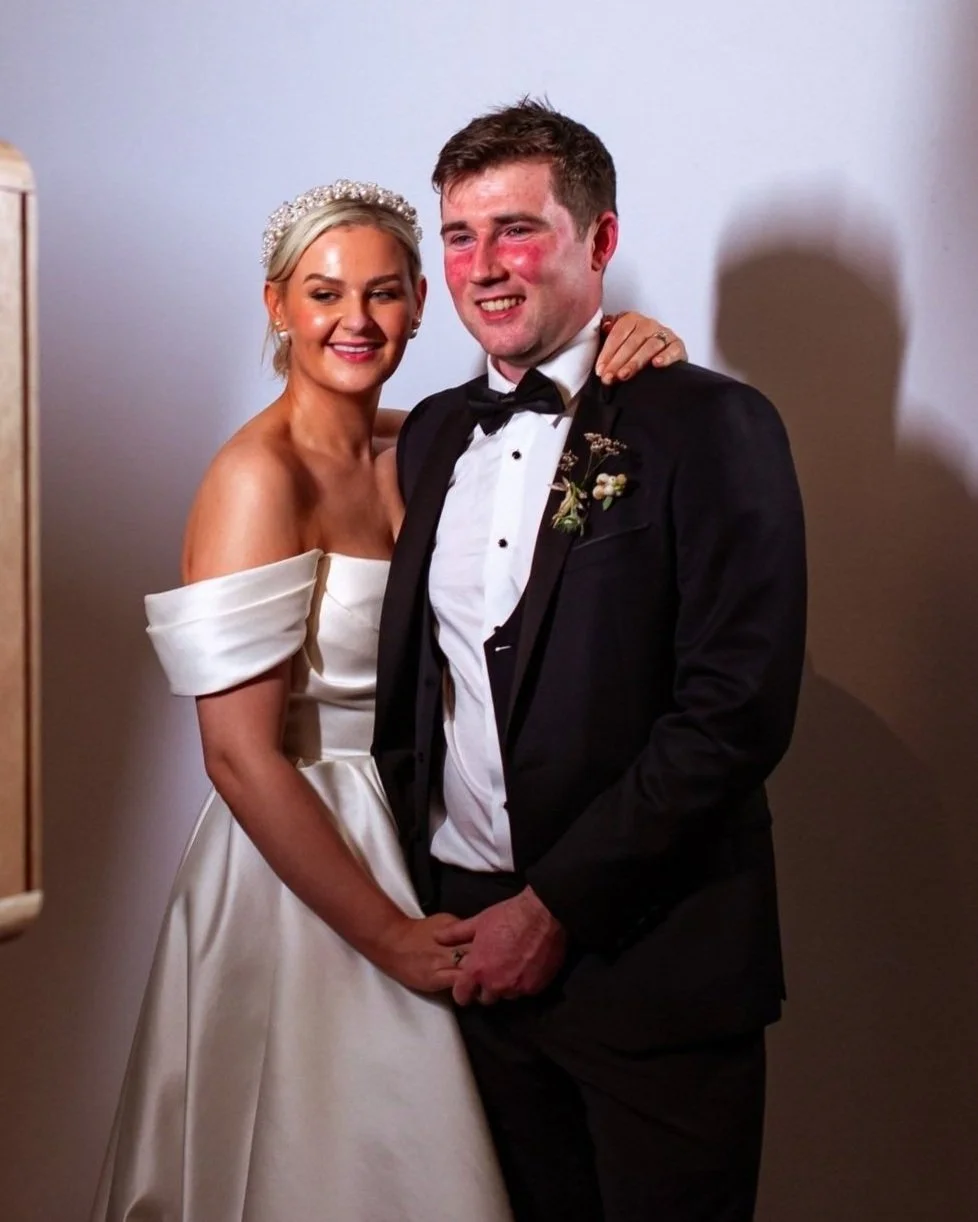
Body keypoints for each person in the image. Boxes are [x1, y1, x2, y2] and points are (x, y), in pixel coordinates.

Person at [90, 176, 686, 1221]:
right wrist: (383, 931)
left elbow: (535, 432)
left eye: (381, 293)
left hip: (425, 834)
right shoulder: (254, 480)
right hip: (305, 863)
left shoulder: (423, 441)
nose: (353, 321)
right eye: (322, 295)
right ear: (277, 306)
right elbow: (237, 754)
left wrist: (629, 343)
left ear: (419, 300)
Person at [372, 101, 807, 1222]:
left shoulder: (711, 423)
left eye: (516, 229)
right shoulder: (426, 437)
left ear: (599, 240)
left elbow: (735, 711)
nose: (483, 267)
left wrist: (556, 904)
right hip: (467, 957)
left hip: (651, 967)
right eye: (459, 237)